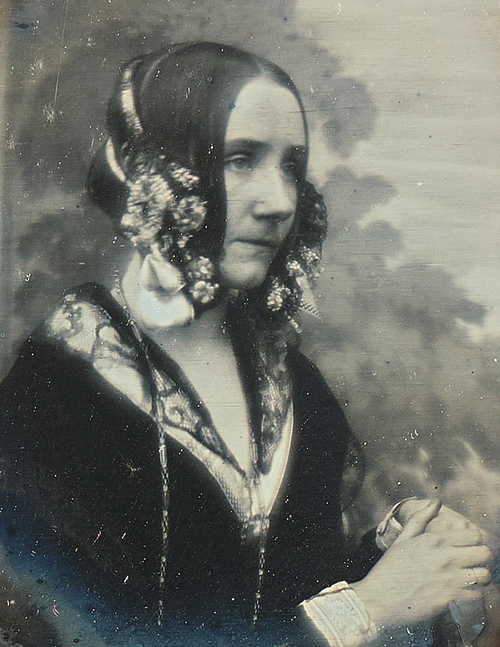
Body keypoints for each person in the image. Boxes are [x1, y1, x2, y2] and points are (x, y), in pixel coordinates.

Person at [0, 42, 493, 646]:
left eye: (291, 167)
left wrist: (392, 557)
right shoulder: (50, 397)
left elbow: (286, 597)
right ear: (156, 172)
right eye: (240, 159)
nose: (280, 202)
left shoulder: (297, 388)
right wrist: (369, 605)